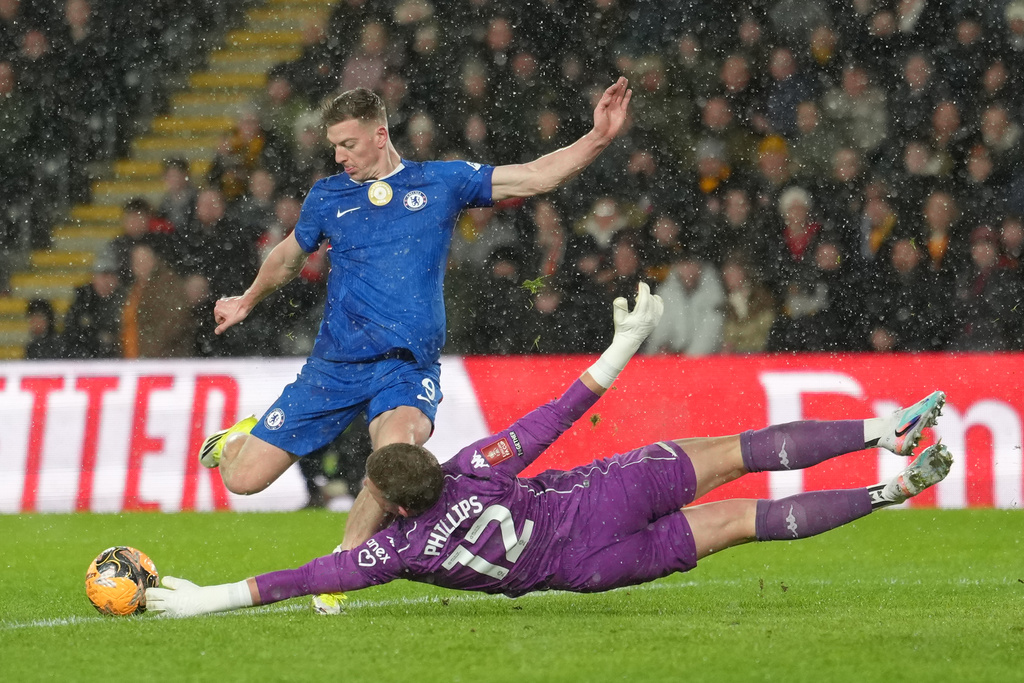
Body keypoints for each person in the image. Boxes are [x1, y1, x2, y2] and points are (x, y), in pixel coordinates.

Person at [147, 284, 954, 618]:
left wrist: (199, 598)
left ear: (390, 505)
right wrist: (623, 344)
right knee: (737, 452)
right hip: (604, 499)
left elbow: (296, 579)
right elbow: (556, 416)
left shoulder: (395, 551)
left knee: (744, 521)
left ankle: (886, 493)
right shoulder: (475, 465)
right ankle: (886, 433)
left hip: (589, 570)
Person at [199, 80, 634, 554]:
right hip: (335, 366)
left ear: (380, 135)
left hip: (405, 368)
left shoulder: (440, 182)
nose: (340, 157)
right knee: (243, 480)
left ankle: (342, 568)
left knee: (395, 461)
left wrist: (598, 138)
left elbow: (533, 176)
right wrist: (247, 298)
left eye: (349, 145)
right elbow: (287, 256)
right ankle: (238, 440)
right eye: (335, 147)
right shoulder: (328, 196)